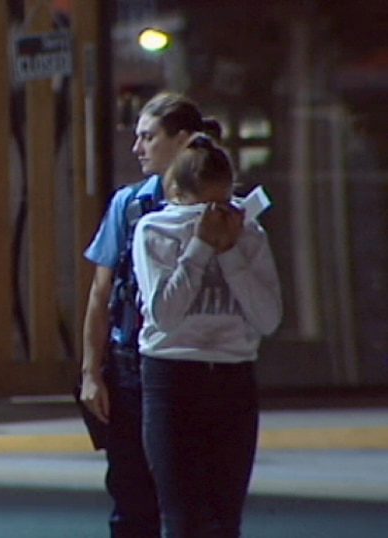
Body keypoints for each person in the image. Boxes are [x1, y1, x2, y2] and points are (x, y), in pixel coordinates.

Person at [79, 92, 220, 538]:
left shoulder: (219, 206)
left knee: (194, 498)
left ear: (182, 140)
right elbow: (101, 294)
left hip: (196, 363)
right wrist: (90, 372)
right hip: (131, 366)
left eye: (148, 137)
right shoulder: (131, 205)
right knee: (131, 497)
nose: (137, 147)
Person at [132, 134, 282, 537]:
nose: (216, 215)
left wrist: (231, 252)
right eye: (203, 208)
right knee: (182, 518)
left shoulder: (249, 235)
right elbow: (164, 313)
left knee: (224, 517)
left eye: (224, 205)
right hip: (172, 375)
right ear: (177, 196)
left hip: (232, 376)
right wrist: (199, 245)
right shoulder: (154, 230)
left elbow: (268, 318)